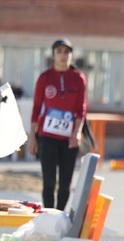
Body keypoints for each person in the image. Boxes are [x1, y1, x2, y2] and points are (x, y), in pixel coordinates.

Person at [28, 38, 87, 210]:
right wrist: (32, 137)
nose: (63, 56)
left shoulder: (78, 79)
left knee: (65, 183)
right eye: (59, 52)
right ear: (53, 55)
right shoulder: (44, 78)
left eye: (67, 52)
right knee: (49, 181)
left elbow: (81, 109)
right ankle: (48, 215)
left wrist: (77, 132)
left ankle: (59, 215)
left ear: (71, 55)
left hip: (69, 139)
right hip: (47, 138)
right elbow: (36, 108)